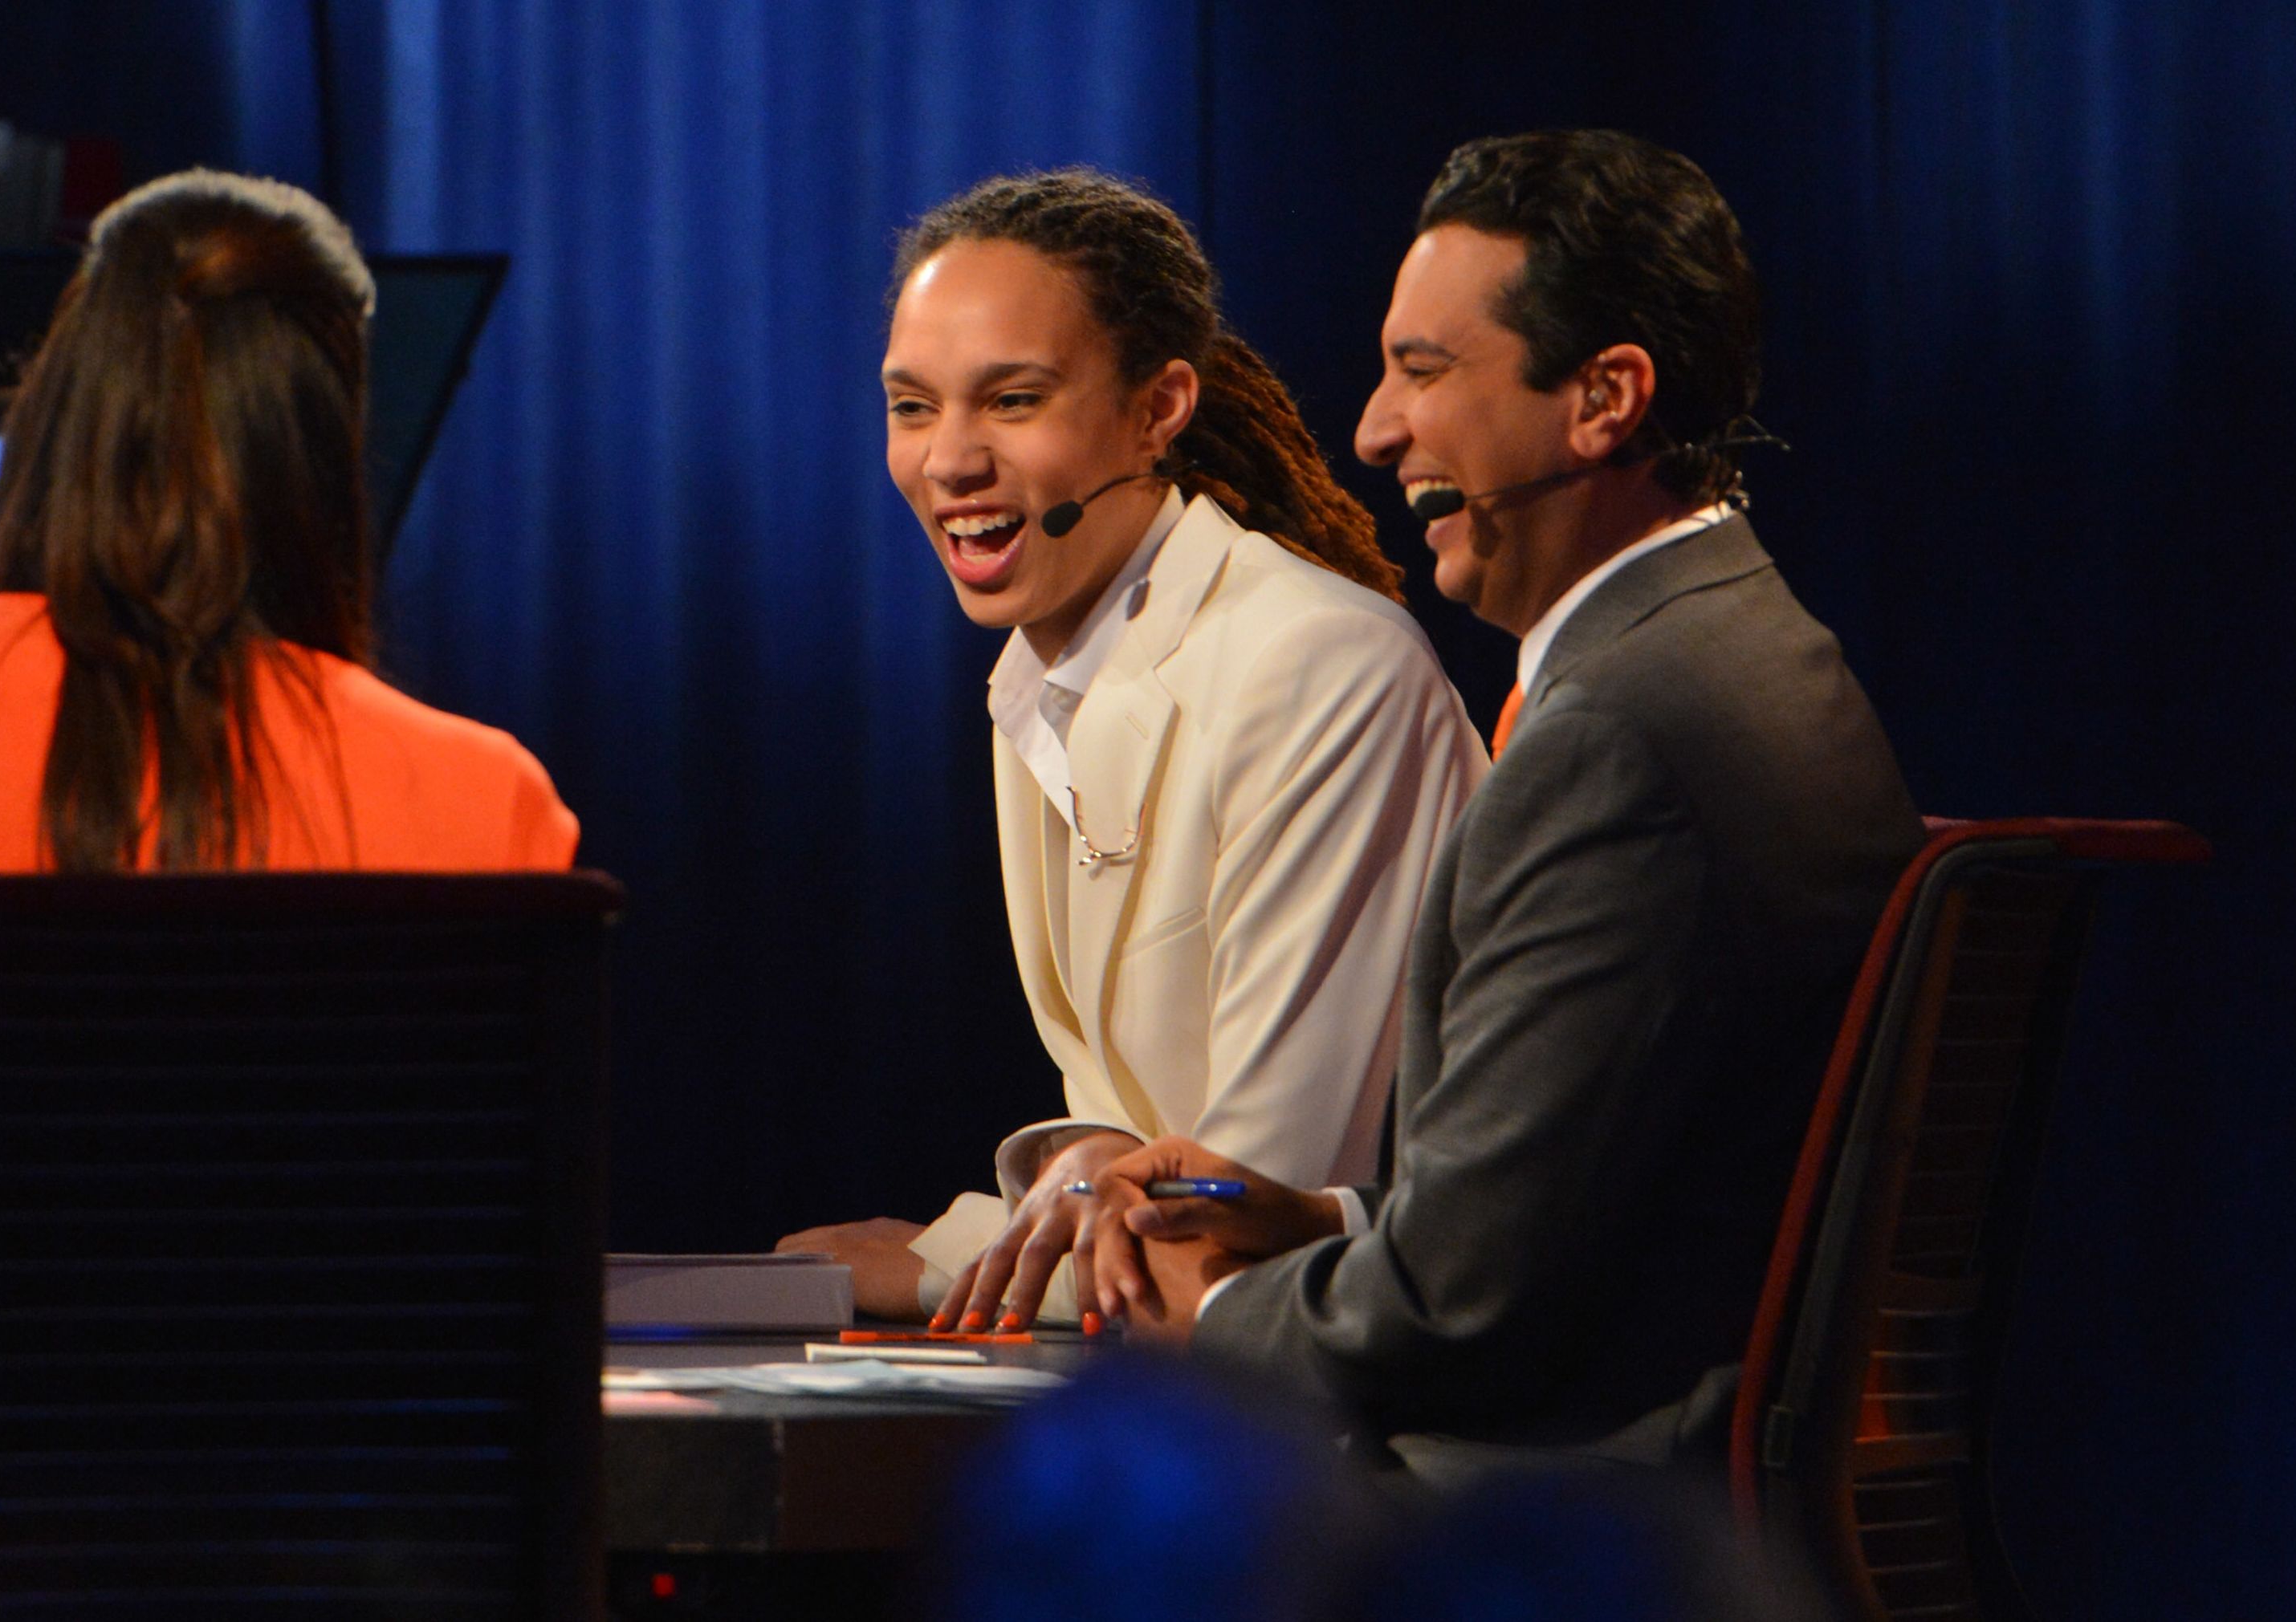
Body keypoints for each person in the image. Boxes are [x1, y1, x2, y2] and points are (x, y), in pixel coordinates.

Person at [1092, 130, 1922, 1470]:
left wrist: (1219, 1313)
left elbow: (1457, 1316)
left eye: (1424, 372)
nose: (1371, 429)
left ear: (1605, 398)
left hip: (1550, 1533)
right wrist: (1322, 1222)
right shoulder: (1737, 651)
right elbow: (1580, 1213)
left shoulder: (1628, 738)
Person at [0, 170, 579, 1348]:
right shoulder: (489, 801)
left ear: (60, 408)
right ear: (326, 457)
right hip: (326, 1526)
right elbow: (494, 1286)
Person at [778, 169, 1484, 1329]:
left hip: (1377, 1432)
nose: (949, 460)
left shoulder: (1316, 664)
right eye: (913, 406)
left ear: (1158, 410)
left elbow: (1242, 1228)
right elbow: (1126, 1146)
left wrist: (958, 1257)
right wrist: (1061, 1181)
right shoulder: (1042, 672)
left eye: (1012, 400)